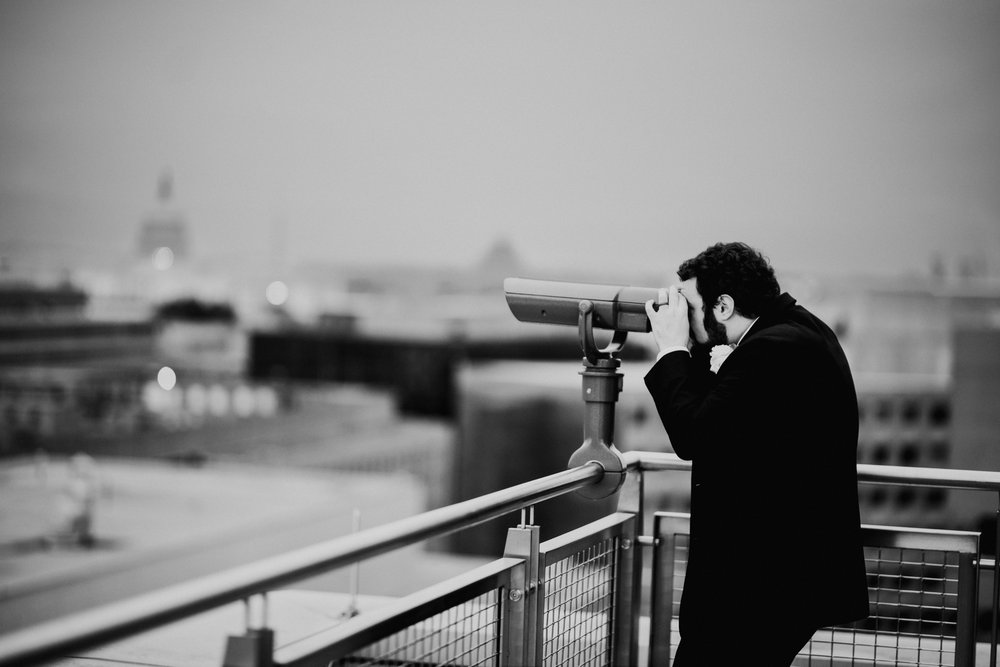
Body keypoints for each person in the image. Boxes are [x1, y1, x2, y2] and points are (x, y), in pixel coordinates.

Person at [642, 242, 869, 666]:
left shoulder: (773, 349)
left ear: (723, 305)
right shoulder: (800, 332)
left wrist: (671, 349)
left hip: (762, 582)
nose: (684, 321)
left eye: (689, 307)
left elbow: (695, 433)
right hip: (780, 575)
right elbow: (726, 413)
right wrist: (694, 344)